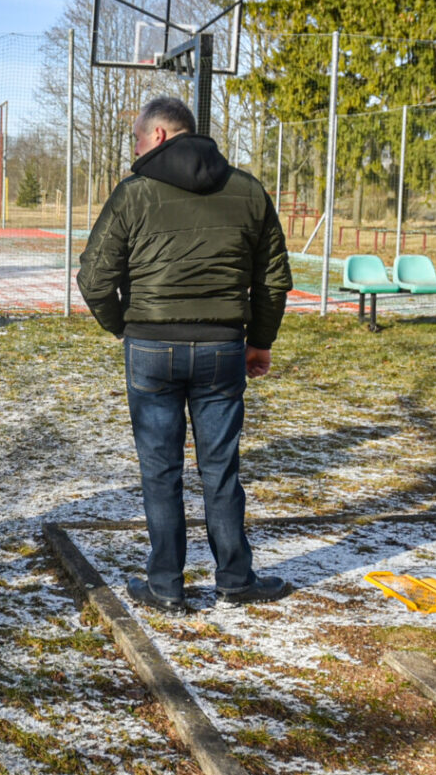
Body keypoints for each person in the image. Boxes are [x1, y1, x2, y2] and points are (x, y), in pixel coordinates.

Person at [77, 96, 294, 612]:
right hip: (222, 347)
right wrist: (260, 341)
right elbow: (273, 279)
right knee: (221, 468)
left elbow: (93, 277)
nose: (134, 147)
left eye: (135, 137)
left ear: (157, 136)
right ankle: (235, 579)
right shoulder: (248, 190)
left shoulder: (133, 194)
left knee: (161, 470)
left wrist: (122, 327)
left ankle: (166, 586)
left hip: (151, 347)